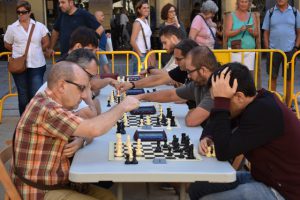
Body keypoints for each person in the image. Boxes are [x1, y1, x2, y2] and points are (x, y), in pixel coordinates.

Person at [12, 61, 140, 200]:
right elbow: (94, 129)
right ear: (62, 86)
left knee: (109, 197)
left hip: (58, 184)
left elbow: (88, 129)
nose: (85, 95)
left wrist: (81, 139)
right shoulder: (48, 109)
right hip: (40, 191)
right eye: (81, 88)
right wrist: (122, 106)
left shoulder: (56, 104)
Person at [188, 62, 300, 200]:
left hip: (285, 192)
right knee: (198, 187)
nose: (218, 105)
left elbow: (223, 152)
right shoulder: (250, 103)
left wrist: (221, 102)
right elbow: (215, 124)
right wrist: (208, 136)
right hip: (263, 178)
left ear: (239, 97)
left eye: (220, 101)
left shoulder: (264, 110)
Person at [135, 46, 219, 127]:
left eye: (190, 71)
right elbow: (170, 95)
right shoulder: (198, 82)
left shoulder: (216, 87)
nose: (188, 76)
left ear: (203, 70)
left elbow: (191, 121)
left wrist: (192, 111)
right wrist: (140, 96)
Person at [4, 0, 49, 115]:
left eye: (23, 12)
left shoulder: (39, 26)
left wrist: (37, 50)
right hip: (19, 66)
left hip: (37, 64)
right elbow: (7, 44)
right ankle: (24, 120)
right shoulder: (12, 27)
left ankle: (35, 119)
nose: (20, 15)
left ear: (29, 12)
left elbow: (46, 41)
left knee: (35, 94)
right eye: (18, 12)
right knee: (23, 95)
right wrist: (19, 53)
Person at [117, 39, 198, 93]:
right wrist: (132, 84)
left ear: (190, 57)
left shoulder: (202, 76)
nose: (176, 63)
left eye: (178, 59)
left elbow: (174, 96)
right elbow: (159, 78)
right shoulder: (182, 69)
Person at [262, 0, 300, 105]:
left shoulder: (295, 12)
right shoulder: (270, 12)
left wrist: (296, 48)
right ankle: (272, 104)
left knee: (289, 79)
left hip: (290, 51)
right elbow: (265, 32)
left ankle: (288, 105)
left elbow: (299, 32)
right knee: (272, 77)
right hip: (274, 51)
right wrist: (267, 49)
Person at [225, 0, 258, 74]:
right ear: (238, 3)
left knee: (248, 74)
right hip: (236, 49)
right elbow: (227, 33)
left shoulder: (252, 16)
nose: (243, 4)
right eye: (241, 1)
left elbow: (256, 33)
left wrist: (250, 31)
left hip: (250, 50)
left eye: (246, 2)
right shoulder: (231, 15)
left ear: (249, 3)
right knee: (235, 73)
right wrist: (239, 30)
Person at [130, 0, 152, 74]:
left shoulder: (146, 21)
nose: (147, 10)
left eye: (148, 8)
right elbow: (132, 41)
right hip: (139, 54)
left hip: (146, 53)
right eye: (144, 8)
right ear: (139, 10)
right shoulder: (137, 23)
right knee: (138, 76)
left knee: (144, 76)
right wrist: (140, 55)